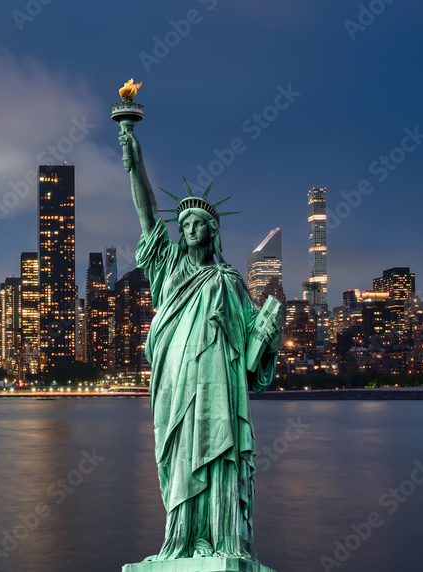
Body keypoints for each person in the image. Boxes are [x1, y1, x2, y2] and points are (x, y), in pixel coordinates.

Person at [118, 129, 281, 561]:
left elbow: (251, 352)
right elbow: (148, 214)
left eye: (198, 224)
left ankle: (219, 537)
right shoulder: (168, 263)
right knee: (177, 450)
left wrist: (268, 333)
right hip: (174, 374)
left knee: (215, 449)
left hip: (216, 380)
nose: (189, 229)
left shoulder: (229, 281)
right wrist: (136, 163)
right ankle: (183, 539)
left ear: (212, 231)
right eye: (185, 224)